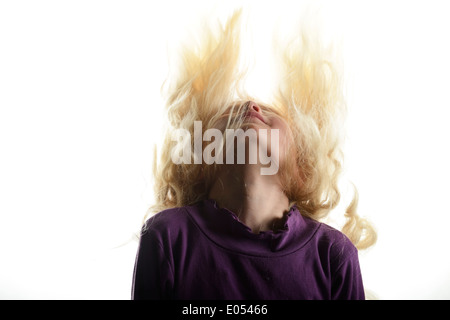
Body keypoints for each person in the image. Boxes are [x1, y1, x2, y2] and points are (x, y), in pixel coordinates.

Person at [132, 10, 376, 300]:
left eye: (268, 112)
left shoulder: (333, 253)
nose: (250, 108)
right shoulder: (168, 236)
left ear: (302, 165)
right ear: (202, 158)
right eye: (230, 114)